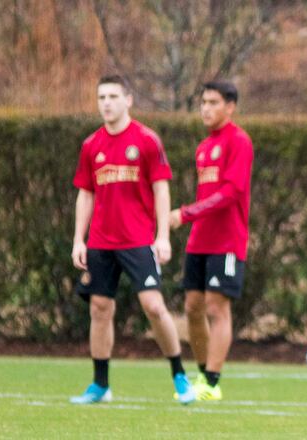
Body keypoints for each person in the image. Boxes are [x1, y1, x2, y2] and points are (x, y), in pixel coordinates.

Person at [70, 75, 195, 404]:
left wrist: (162, 236)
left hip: (138, 241)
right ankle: (100, 385)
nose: (106, 103)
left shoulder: (146, 140)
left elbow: (161, 189)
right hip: (100, 242)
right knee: (100, 308)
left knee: (153, 305)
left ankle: (180, 376)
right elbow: (86, 194)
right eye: (101, 97)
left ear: (128, 100)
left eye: (113, 96)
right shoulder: (91, 145)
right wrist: (79, 240)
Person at [170, 81, 254, 401]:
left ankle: (212, 383)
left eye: (213, 102)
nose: (206, 108)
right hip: (199, 240)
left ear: (230, 107)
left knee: (217, 307)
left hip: (226, 241)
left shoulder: (239, 141)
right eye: (203, 102)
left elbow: (231, 193)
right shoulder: (204, 147)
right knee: (192, 308)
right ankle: (203, 375)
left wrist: (186, 213)